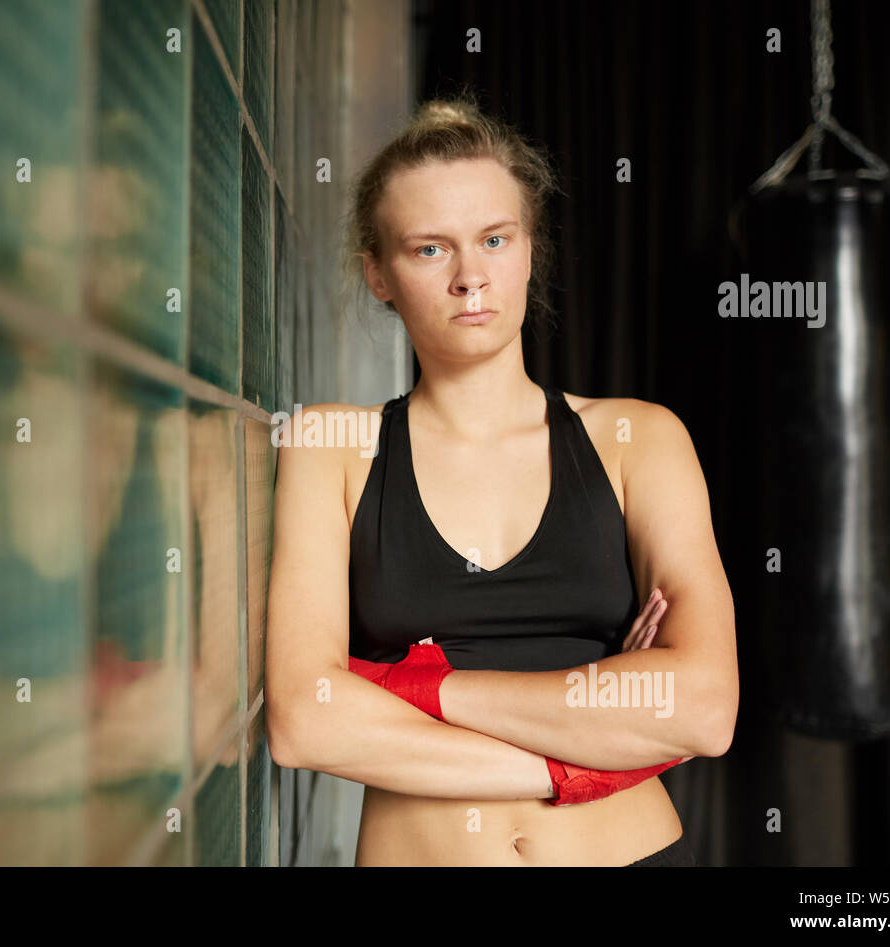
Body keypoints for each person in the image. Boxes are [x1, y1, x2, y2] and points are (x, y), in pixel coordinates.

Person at [264, 97, 737, 866]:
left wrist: (416, 688)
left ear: (528, 250)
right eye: (429, 250)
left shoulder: (638, 440)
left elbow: (706, 709)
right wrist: (575, 761)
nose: (470, 277)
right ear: (377, 274)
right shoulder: (332, 444)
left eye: (493, 239)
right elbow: (304, 720)